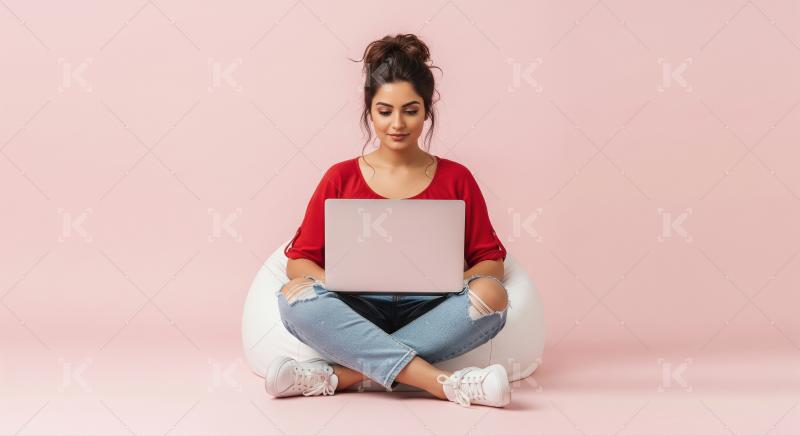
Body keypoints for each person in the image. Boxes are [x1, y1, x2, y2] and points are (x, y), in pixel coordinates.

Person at [265, 33, 512, 408]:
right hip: (354, 307)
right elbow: (298, 262)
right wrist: (333, 281)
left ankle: (334, 376)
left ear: (427, 110)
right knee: (294, 298)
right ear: (369, 111)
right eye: (385, 111)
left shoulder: (456, 178)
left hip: (431, 308)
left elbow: (492, 262)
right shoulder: (340, 177)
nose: (397, 123)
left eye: (410, 110)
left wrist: (453, 283)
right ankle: (444, 384)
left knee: (492, 296)